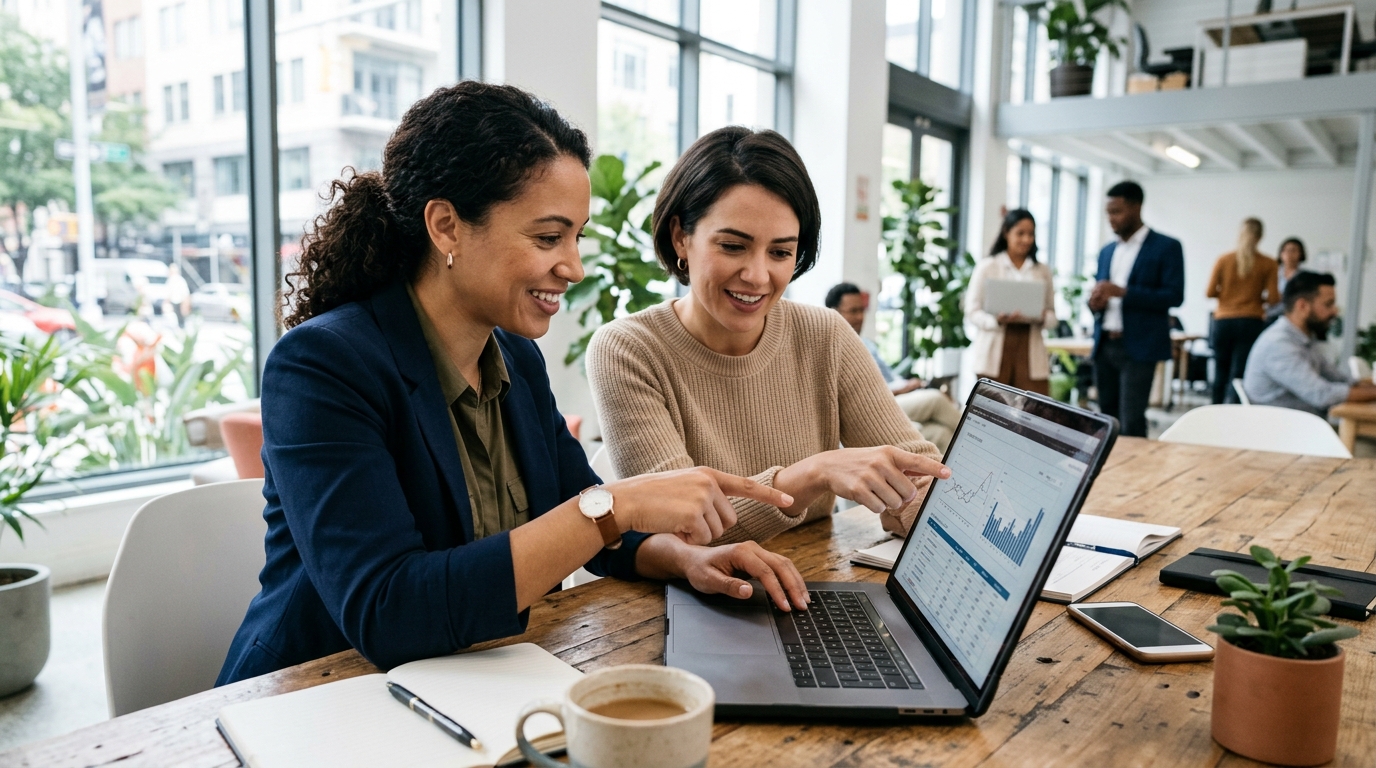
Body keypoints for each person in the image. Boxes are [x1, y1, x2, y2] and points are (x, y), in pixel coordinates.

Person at [217, 83, 810, 686]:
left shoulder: (515, 359)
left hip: (479, 681)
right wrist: (615, 504)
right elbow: (387, 611)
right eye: (548, 237)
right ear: (446, 226)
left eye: (576, 237)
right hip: (319, 697)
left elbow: (593, 523)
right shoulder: (322, 365)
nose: (572, 267)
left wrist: (685, 558)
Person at [586, 127, 951, 542]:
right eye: (733, 246)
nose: (758, 276)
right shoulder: (628, 350)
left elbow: (921, 475)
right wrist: (815, 473)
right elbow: (684, 527)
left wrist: (917, 505)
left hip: (817, 585)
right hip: (694, 599)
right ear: (680, 238)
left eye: (780, 253)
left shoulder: (825, 336)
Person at [1087, 181, 1184, 438]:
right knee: (1105, 420)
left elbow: (1174, 296)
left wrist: (1123, 292)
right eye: (1108, 212)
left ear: (1136, 207)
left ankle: (1135, 476)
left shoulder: (1166, 247)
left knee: (1131, 422)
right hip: (1105, 344)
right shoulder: (1107, 251)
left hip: (1140, 347)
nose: (1111, 218)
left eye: (1116, 211)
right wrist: (1095, 303)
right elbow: (1103, 295)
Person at [824, 282, 962, 451]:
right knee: (935, 399)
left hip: (897, 395)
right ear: (833, 312)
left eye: (862, 310)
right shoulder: (833, 348)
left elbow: (889, 377)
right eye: (853, 311)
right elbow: (852, 396)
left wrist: (908, 384)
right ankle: (990, 440)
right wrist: (901, 390)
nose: (860, 317)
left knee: (941, 433)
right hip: (879, 403)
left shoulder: (868, 344)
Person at [1243, 271, 1376, 416]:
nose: (1335, 311)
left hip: (1305, 426)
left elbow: (1338, 378)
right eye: (1328, 304)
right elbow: (1322, 395)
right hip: (1284, 431)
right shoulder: (1278, 344)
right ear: (1302, 306)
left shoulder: (1304, 339)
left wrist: (1366, 386)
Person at [964, 209, 1058, 396]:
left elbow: (1053, 316)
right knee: (992, 411)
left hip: (1029, 349)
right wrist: (996, 320)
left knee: (1033, 411)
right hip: (995, 350)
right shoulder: (988, 267)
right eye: (1020, 233)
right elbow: (972, 311)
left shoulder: (1042, 271)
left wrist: (1041, 317)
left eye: (1031, 234)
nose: (1026, 239)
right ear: (1006, 233)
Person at [1205, 217, 1279, 404]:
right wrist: (1254, 297)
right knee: (1239, 373)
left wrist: (1230, 295)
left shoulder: (1224, 260)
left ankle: (1214, 412)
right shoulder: (1268, 263)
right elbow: (1273, 299)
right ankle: (1234, 413)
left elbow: (1210, 292)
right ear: (1260, 236)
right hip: (1250, 321)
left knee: (1220, 371)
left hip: (1223, 321)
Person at [1265, 236, 1308, 324]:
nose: (1289, 254)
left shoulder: (1304, 276)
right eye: (1285, 250)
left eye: (1293, 250)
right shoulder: (1273, 272)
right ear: (1281, 253)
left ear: (1301, 253)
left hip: (1292, 318)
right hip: (1271, 315)